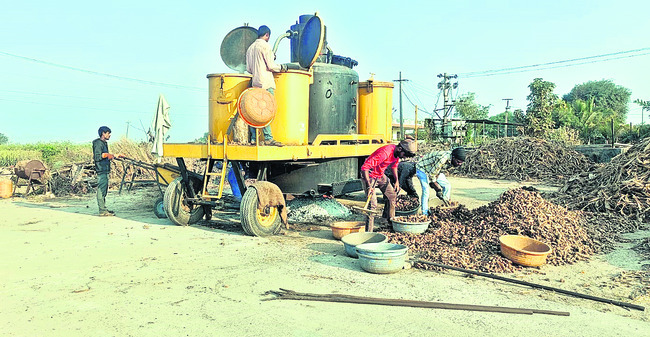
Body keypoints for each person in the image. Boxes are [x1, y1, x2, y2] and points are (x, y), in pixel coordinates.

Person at [360, 138, 417, 232]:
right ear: (400, 149)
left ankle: (389, 223)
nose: (404, 157)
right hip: (369, 176)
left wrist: (397, 181)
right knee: (372, 205)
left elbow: (394, 166)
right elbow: (364, 167)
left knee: (392, 196)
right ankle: (368, 232)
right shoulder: (385, 153)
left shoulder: (396, 154)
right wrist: (369, 186)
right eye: (404, 155)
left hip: (380, 175)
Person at [245, 25, 287, 147]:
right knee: (266, 111)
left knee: (254, 112)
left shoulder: (250, 48)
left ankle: (254, 139)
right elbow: (271, 66)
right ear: (267, 35)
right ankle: (268, 138)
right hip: (266, 83)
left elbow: (248, 69)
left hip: (255, 84)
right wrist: (282, 67)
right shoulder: (265, 46)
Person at [415, 147, 466, 215]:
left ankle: (446, 205)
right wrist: (437, 188)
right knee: (426, 191)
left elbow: (437, 171)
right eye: (458, 162)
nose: (459, 164)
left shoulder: (450, 159)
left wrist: (435, 182)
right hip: (422, 169)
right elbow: (431, 175)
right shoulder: (443, 158)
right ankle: (425, 213)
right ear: (453, 157)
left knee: (447, 185)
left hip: (433, 169)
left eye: (461, 163)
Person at [92, 126, 122, 216]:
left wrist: (113, 156)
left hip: (105, 169)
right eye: (108, 133)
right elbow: (97, 156)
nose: (110, 135)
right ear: (103, 133)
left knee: (104, 190)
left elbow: (105, 155)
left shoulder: (104, 143)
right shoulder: (98, 143)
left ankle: (103, 208)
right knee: (101, 190)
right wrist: (108, 155)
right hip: (101, 170)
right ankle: (102, 210)